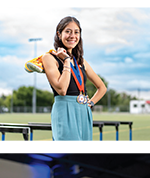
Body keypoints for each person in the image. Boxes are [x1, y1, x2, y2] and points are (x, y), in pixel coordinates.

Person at [41, 16, 106, 146]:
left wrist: (91, 103)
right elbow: (62, 90)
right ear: (59, 34)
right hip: (65, 108)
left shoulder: (81, 61)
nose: (72, 36)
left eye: (76, 32)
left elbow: (102, 87)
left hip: (84, 110)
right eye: (68, 31)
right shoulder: (49, 58)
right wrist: (66, 60)